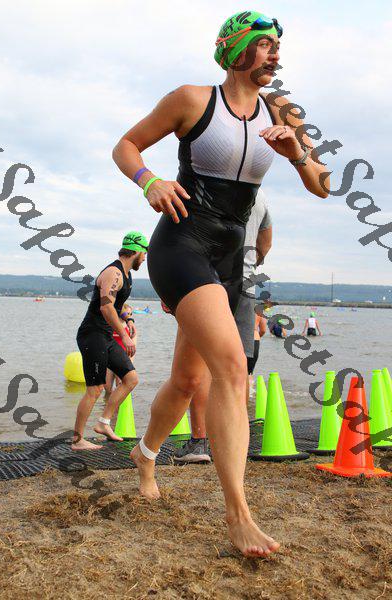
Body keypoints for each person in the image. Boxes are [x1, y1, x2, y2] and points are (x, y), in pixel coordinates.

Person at [112, 10, 329, 558]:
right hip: (181, 245)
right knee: (232, 368)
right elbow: (126, 146)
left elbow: (322, 185)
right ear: (235, 48)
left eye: (278, 45)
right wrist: (149, 181)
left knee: (188, 380)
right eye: (265, 43)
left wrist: (297, 154)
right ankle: (239, 515)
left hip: (231, 260)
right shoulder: (192, 99)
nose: (275, 53)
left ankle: (145, 454)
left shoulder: (282, 111)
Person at [174, 189, 272, 463]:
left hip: (204, 283)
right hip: (245, 285)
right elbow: (265, 244)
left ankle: (199, 442)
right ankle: (235, 443)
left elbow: (183, 237)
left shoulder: (206, 183)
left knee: (199, 367)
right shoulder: (261, 196)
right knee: (238, 370)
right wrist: (250, 264)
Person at [72, 232, 148, 451]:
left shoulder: (126, 274)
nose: (144, 258)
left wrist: (129, 319)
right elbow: (106, 307)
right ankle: (77, 441)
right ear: (136, 251)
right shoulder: (113, 273)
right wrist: (124, 335)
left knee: (131, 379)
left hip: (105, 336)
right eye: (144, 253)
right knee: (95, 389)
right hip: (93, 334)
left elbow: (117, 305)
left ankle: (103, 423)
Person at [104, 303, 137, 396]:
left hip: (123, 359)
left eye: (130, 314)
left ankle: (120, 404)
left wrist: (130, 362)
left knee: (120, 385)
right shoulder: (112, 324)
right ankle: (106, 402)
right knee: (107, 387)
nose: (128, 316)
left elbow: (133, 346)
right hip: (110, 359)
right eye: (127, 313)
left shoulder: (131, 328)